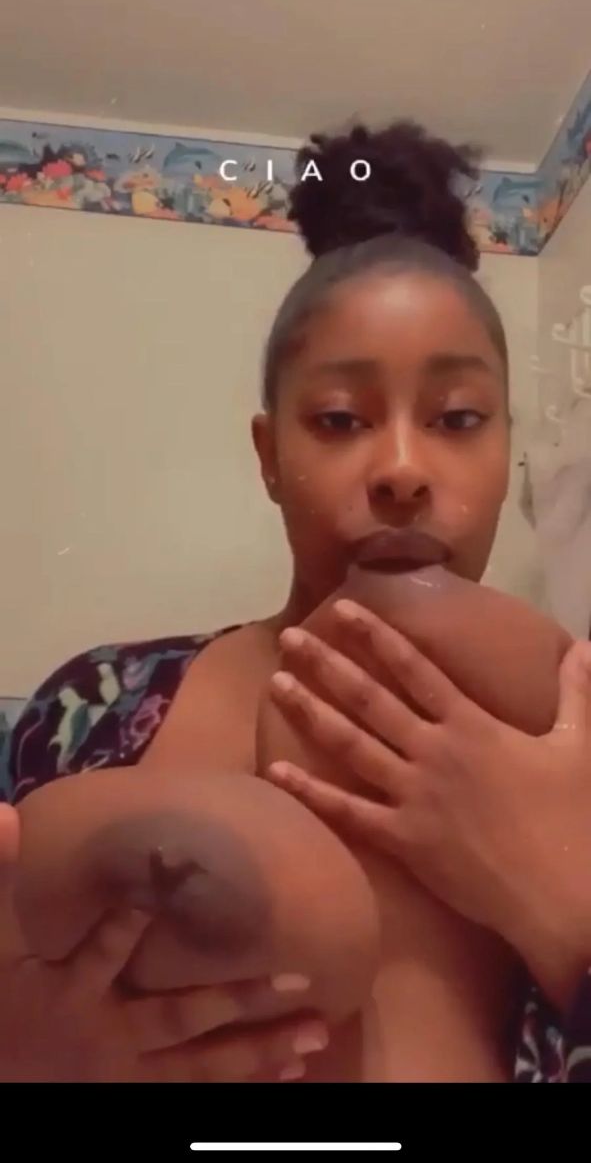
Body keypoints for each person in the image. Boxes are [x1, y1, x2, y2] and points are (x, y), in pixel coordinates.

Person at [2, 119, 590, 1081]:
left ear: (504, 451)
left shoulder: (581, 730)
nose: (400, 469)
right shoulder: (92, 711)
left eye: (456, 419)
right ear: (270, 455)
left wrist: (565, 912)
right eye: (340, 420)